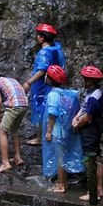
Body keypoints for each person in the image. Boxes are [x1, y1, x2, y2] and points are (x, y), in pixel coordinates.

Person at [41, 64, 83, 193]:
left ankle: (61, 184)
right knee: (64, 156)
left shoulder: (53, 94)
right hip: (67, 131)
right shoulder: (69, 93)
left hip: (57, 131)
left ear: (49, 79)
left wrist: (48, 131)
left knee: (59, 158)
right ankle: (63, 182)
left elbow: (52, 115)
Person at [24, 23, 65, 147]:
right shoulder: (56, 50)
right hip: (54, 83)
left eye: (38, 35)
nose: (37, 38)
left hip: (43, 85)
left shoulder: (44, 52)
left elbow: (42, 70)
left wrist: (28, 82)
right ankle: (44, 134)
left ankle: (40, 137)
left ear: (42, 37)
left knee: (43, 110)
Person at [72, 65, 103, 205]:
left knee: (91, 158)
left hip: (90, 130)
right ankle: (99, 189)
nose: (83, 81)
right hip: (91, 128)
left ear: (91, 81)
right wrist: (75, 117)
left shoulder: (94, 97)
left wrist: (77, 124)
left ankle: (94, 192)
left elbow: (87, 117)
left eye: (85, 79)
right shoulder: (93, 92)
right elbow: (83, 109)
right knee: (96, 156)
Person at [0, 73, 28, 173]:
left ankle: (5, 163)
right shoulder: (12, 79)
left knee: (1, 132)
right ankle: (18, 157)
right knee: (14, 129)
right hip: (24, 105)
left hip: (14, 106)